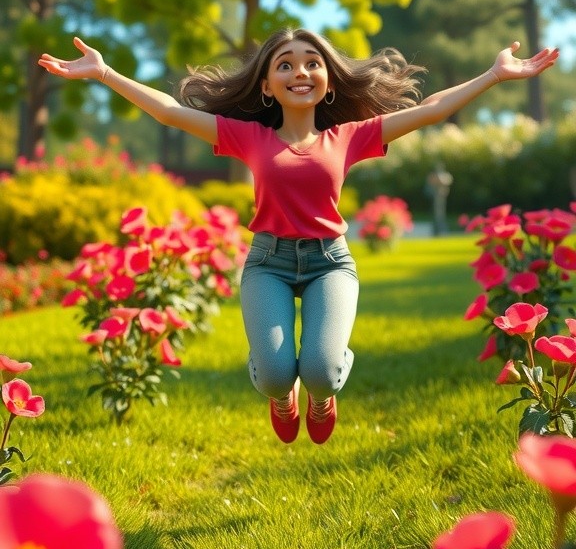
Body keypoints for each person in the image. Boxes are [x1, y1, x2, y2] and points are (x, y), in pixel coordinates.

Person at [38, 31, 559, 444]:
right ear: (267, 86)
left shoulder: (349, 137)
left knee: (321, 371)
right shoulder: (250, 137)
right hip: (267, 262)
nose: (299, 71)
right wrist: (106, 73)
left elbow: (431, 110)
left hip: (331, 263)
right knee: (271, 376)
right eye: (284, 64)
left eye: (311, 61)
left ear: (328, 82)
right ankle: (282, 398)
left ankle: (318, 394)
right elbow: (170, 112)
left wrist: (492, 75)